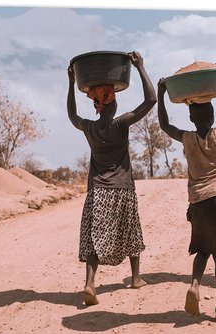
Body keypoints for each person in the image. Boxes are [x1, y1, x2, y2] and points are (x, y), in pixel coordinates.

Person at [157, 61, 216, 322]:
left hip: (197, 202)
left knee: (202, 249)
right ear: (211, 116)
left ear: (191, 117)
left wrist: (161, 95)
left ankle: (195, 284)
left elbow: (164, 125)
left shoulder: (186, 137)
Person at [67, 51, 157, 305]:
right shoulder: (120, 124)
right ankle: (136, 277)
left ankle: (89, 284)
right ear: (111, 104)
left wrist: (71, 83)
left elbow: (71, 115)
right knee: (131, 232)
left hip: (98, 191)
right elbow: (151, 101)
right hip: (122, 189)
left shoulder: (89, 127)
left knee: (96, 237)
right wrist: (140, 67)